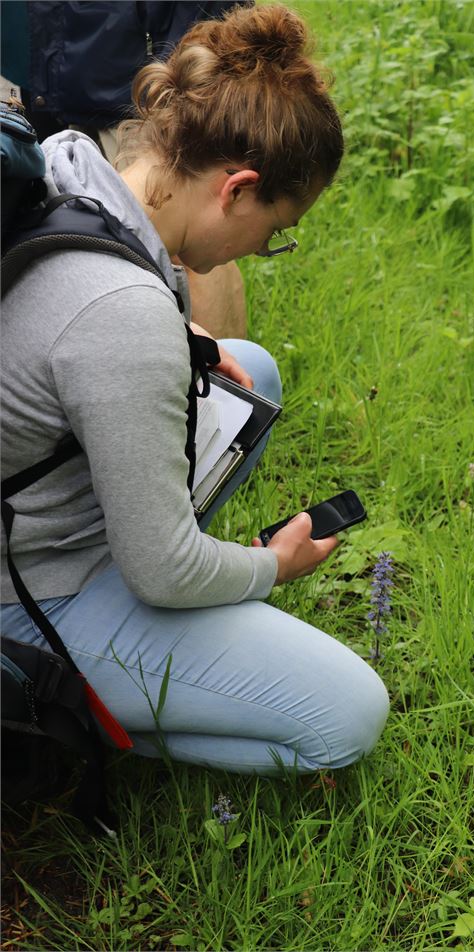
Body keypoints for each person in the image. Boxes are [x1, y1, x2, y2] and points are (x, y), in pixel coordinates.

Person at [1, 4, 389, 776]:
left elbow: (61, 322)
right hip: (32, 591)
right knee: (346, 717)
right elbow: (166, 572)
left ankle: (121, 685)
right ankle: (57, 716)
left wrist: (183, 340)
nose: (263, 247)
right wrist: (270, 568)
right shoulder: (121, 314)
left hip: (29, 511)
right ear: (237, 187)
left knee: (251, 370)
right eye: (276, 229)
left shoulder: (70, 165)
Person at [0, 0, 253, 340]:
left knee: (185, 237)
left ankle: (214, 384)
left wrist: (192, 106)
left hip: (123, 93)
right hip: (17, 87)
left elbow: (213, 20)